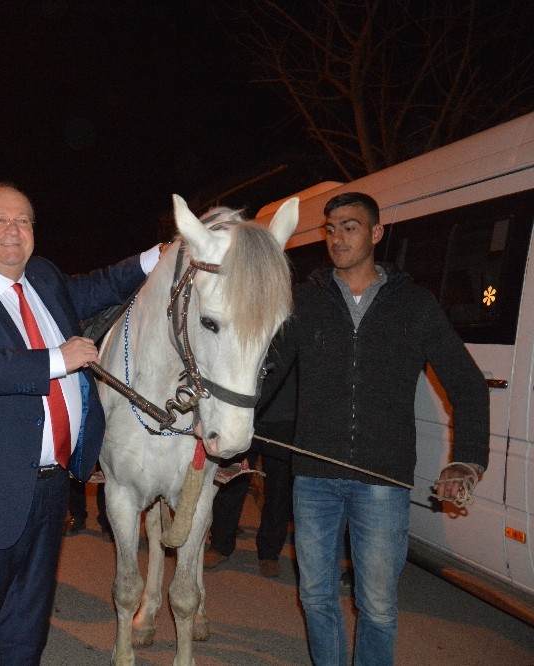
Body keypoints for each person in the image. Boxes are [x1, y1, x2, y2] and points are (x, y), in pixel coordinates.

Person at [0, 182, 158, 663]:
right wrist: (56, 359)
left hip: (49, 492)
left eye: (23, 220)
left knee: (26, 635)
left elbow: (102, 285)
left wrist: (161, 255)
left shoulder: (46, 280)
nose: (12, 230)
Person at [263, 192, 489, 665]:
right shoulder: (305, 301)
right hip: (314, 478)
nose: (336, 237)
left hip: (382, 482)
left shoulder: (415, 305)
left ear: (376, 233)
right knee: (316, 597)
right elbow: (266, 374)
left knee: (379, 607)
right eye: (330, 228)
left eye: (349, 226)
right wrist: (231, 437)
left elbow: (468, 384)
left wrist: (466, 460)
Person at [204, 364, 296, 578]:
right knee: (230, 482)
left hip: (284, 416)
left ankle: (269, 553)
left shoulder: (295, 330)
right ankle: (220, 545)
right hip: (244, 413)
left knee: (279, 490)